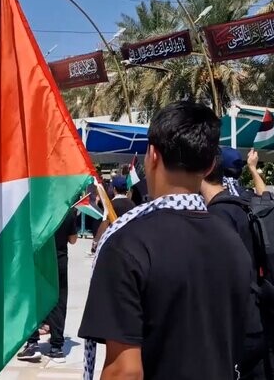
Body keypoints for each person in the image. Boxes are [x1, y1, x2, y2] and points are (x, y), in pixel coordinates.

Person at [79, 101, 252, 379]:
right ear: (209, 166)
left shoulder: (128, 245)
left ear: (152, 155)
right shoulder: (233, 243)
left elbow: (124, 371)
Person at [203, 154, 274, 380]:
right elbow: (266, 194)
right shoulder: (249, 200)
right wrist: (253, 168)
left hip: (240, 323)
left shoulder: (217, 212)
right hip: (263, 311)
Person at [17, 207, 78, 363]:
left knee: (33, 298)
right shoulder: (68, 210)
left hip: (39, 259)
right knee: (59, 300)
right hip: (59, 260)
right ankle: (57, 347)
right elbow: (73, 240)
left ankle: (32, 343)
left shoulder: (36, 206)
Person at [89, 176, 136, 255]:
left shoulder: (111, 205)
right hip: (130, 244)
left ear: (114, 189)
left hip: (114, 245)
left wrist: (95, 241)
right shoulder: (132, 204)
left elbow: (105, 224)